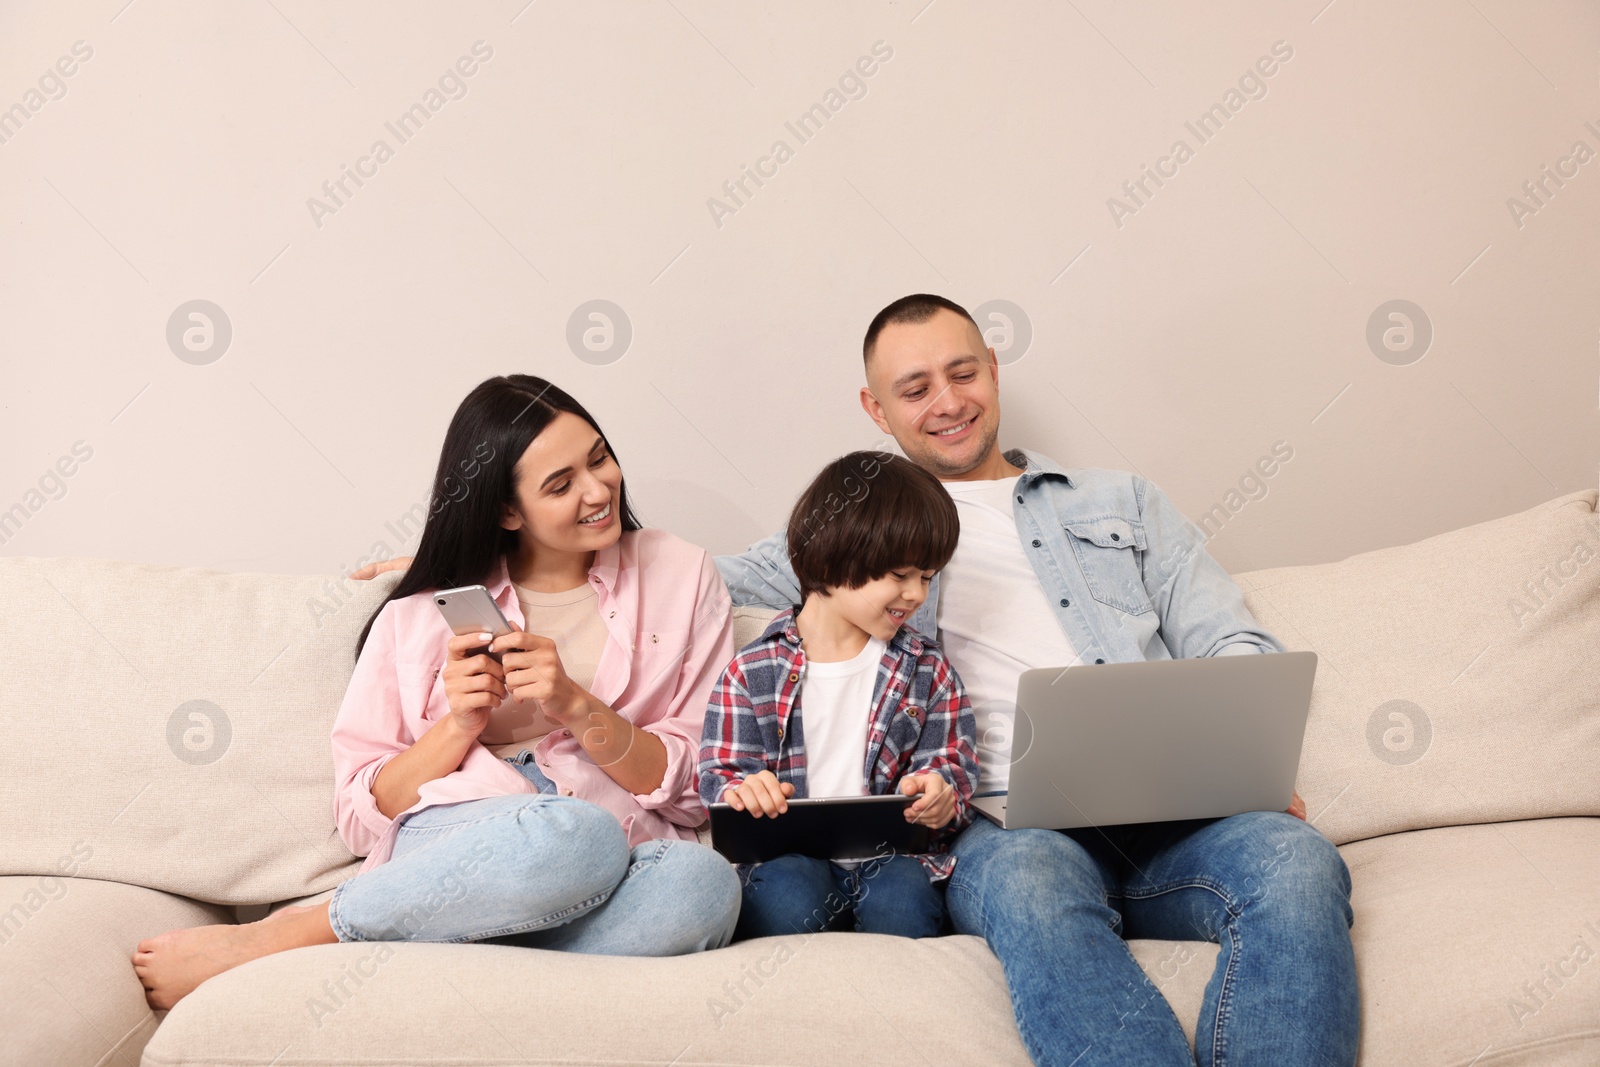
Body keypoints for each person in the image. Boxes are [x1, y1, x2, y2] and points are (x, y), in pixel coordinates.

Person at [714, 296, 1358, 1067]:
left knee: (1298, 861)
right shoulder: (857, 531)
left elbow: (1232, 638)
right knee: (1032, 890)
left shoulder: (1122, 500)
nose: (949, 402)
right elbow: (680, 584)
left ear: (993, 371)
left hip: (1170, 811)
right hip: (1005, 825)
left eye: (963, 373)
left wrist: (1239, 763)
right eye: (915, 388)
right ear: (874, 408)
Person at [132, 375, 741, 1011]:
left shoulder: (683, 575)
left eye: (599, 458)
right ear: (507, 511)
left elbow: (702, 788)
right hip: (470, 834)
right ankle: (291, 932)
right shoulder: (417, 616)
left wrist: (574, 705)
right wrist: (459, 724)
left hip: (616, 843)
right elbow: (363, 816)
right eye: (560, 485)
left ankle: (451, 952)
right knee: (574, 838)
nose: (597, 489)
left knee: (702, 886)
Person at [699, 452, 978, 941]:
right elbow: (721, 777)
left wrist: (940, 795)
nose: (916, 594)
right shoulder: (751, 672)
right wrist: (742, 793)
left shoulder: (928, 669)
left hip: (893, 861)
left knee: (903, 900)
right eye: (900, 574)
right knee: (786, 895)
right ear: (833, 559)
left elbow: (951, 765)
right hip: (792, 860)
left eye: (926, 577)